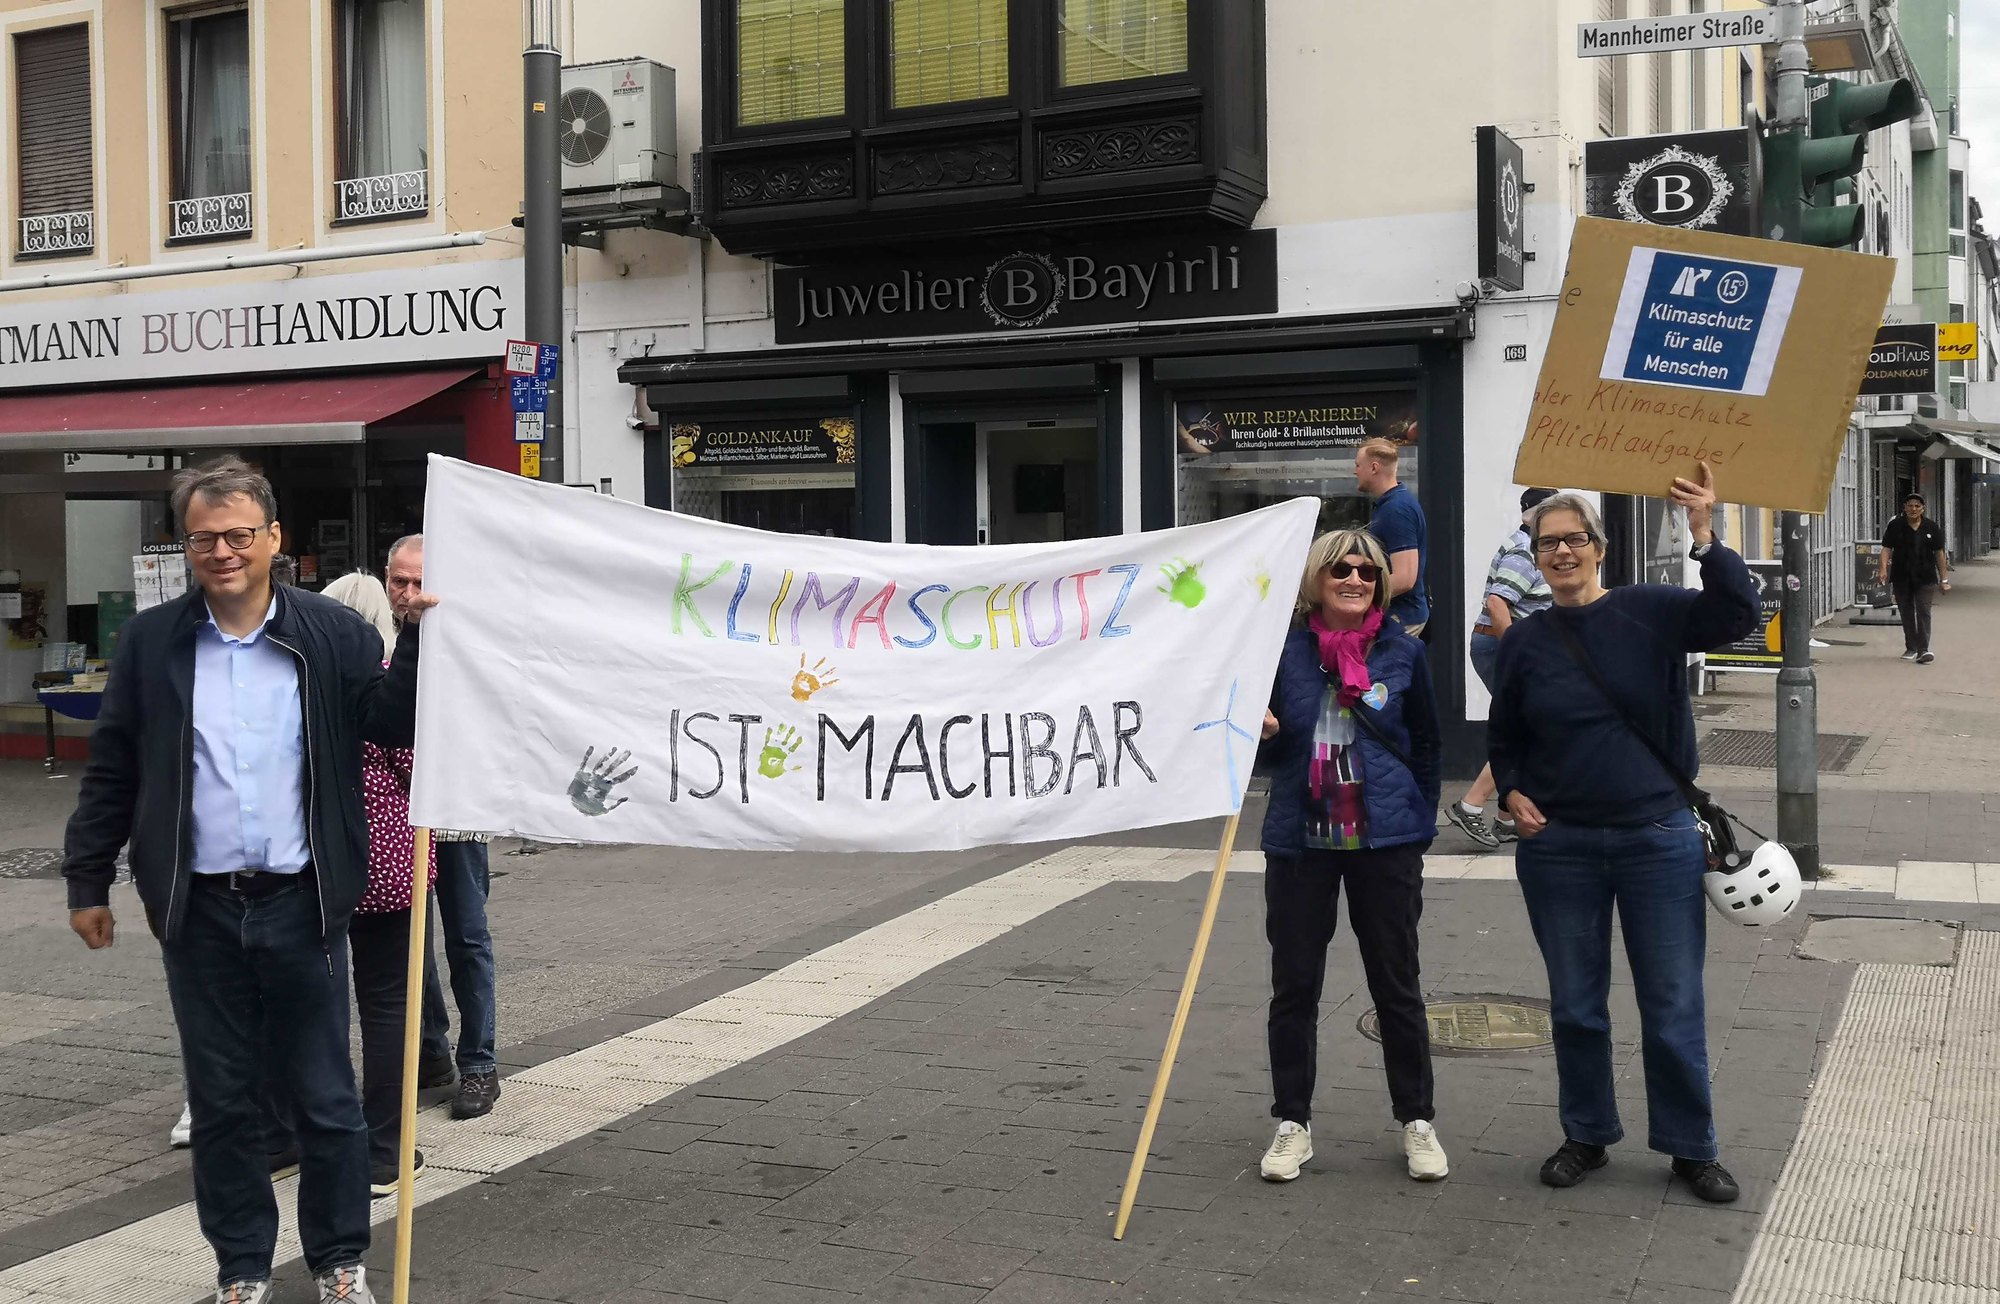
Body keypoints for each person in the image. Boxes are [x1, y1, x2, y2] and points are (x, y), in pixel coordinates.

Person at [63, 456, 437, 1304]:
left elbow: (391, 723)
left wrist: (417, 637)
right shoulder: (153, 642)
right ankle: (241, 1267)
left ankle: (339, 1260)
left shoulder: (332, 634)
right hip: (197, 908)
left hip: (303, 902)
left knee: (325, 1097)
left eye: (238, 535)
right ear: (187, 545)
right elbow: (114, 766)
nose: (222, 552)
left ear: (275, 539)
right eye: (204, 539)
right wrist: (88, 879)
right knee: (224, 1102)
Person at [1488, 466, 1759, 1204]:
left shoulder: (1650, 610)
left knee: (1672, 1005)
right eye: (1548, 543)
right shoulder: (1526, 641)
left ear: (1599, 548)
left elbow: (1737, 614)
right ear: (1535, 557)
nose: (1561, 552)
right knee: (1576, 1005)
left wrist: (1706, 535)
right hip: (1561, 848)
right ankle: (1587, 1134)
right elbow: (1505, 736)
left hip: (1657, 838)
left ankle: (1691, 1147)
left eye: (1574, 539)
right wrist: (1510, 790)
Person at [1255, 528, 1447, 1185]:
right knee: (1294, 987)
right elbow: (1259, 751)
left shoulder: (1402, 650)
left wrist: (1417, 820)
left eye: (1367, 570)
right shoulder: (1282, 653)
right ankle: (1292, 1122)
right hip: (1301, 843)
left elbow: (1426, 743)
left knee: (1397, 984)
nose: (1355, 579)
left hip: (1384, 844)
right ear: (1317, 578)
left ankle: (1416, 1119)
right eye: (1341, 568)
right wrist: (1264, 736)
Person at [323, 572, 435, 1196]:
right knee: (389, 1003)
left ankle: (306, 1131)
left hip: (315, 855)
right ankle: (386, 1147)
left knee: (313, 1000)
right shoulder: (393, 678)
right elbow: (415, 764)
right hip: (389, 857)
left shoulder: (305, 680)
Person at [389, 535, 502, 1121]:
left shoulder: (469, 640)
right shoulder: (378, 638)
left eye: (419, 582)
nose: (408, 593)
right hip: (398, 814)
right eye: (398, 581)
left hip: (457, 809)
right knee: (410, 941)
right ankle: (431, 1051)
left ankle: (479, 1063)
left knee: (466, 936)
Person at [1445, 488, 1558, 848]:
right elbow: (1497, 603)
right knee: (1525, 727)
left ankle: (1507, 819)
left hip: (1502, 646)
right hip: (1498, 646)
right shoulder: (1525, 551)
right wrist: (1515, 652)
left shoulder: (1531, 546)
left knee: (1525, 726)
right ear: (1532, 516)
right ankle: (1470, 805)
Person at [1356, 438, 1428, 636]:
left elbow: (1404, 578)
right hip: (1395, 616)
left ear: (1374, 467)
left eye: (1358, 465)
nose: (1355, 471)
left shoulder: (1397, 509)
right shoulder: (1391, 505)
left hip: (1399, 618)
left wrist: (1359, 594)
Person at [1876, 491, 1949, 665]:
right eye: (1910, 506)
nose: (1913, 509)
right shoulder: (1896, 526)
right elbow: (1886, 548)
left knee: (1923, 611)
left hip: (1925, 577)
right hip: (1901, 577)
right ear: (1905, 508)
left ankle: (1923, 650)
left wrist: (1944, 580)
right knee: (1906, 612)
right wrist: (1883, 569)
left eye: (1917, 506)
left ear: (1923, 508)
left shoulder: (1931, 527)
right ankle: (1911, 647)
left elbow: (1939, 554)